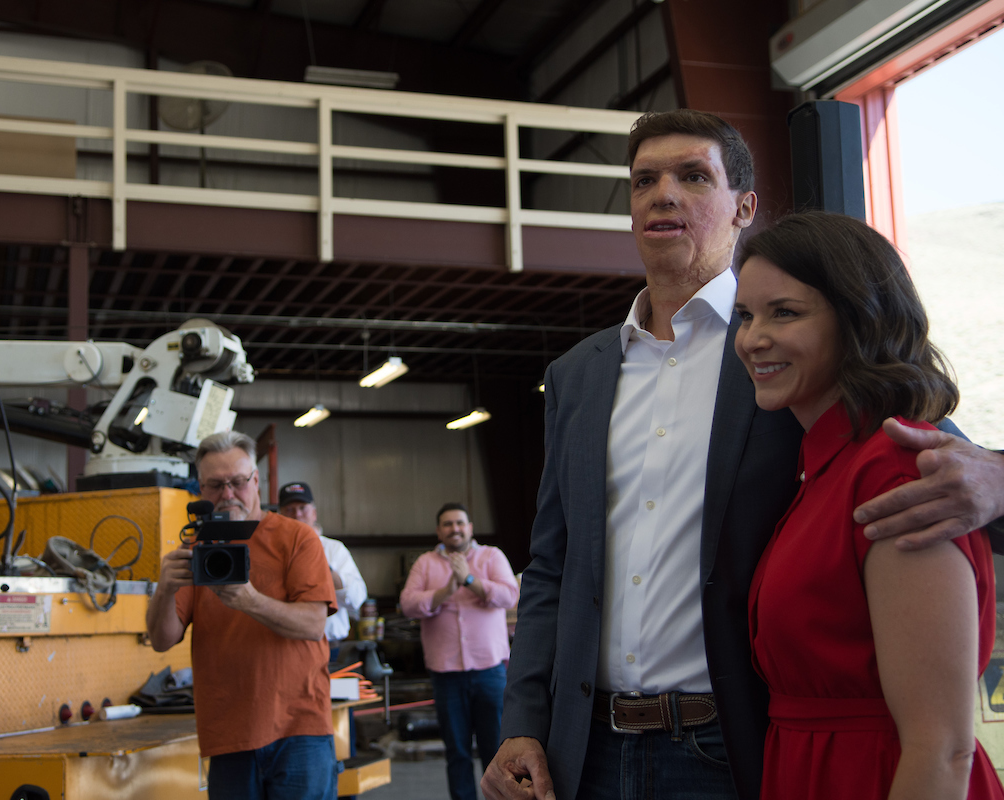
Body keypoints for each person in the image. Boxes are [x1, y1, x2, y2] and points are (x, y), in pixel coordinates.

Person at [481, 109, 1004, 800]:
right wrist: (524, 720)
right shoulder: (578, 374)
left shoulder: (791, 356)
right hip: (588, 750)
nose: (663, 193)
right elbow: (551, 566)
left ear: (743, 208)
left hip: (730, 745)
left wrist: (1000, 475)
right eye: (644, 181)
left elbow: (928, 457)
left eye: (693, 176)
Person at [733, 211, 1003, 799]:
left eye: (785, 312)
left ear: (858, 322)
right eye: (746, 315)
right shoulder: (824, 471)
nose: (753, 338)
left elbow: (943, 749)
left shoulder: (894, 470)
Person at [146, 430, 339, 800]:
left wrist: (250, 601)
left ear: (256, 482)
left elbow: (313, 625)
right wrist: (165, 588)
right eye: (215, 485)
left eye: (237, 482)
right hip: (228, 732)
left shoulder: (297, 539)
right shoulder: (195, 549)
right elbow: (161, 639)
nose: (228, 494)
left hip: (299, 729)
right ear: (200, 489)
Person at [401, 502, 520, 800]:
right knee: (457, 753)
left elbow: (510, 595)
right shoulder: (425, 563)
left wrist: (469, 579)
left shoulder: (491, 556)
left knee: (498, 753)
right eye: (448, 524)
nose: (454, 528)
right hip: (446, 674)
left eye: (460, 523)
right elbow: (408, 604)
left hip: (490, 672)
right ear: (438, 530)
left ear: (470, 528)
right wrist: (446, 591)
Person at [277, 481, 368, 661]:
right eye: (290, 509)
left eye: (303, 508)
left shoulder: (334, 550)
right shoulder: (272, 552)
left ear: (314, 513)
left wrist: (322, 566)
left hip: (329, 648)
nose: (297, 515)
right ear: (280, 515)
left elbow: (358, 599)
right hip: (282, 648)